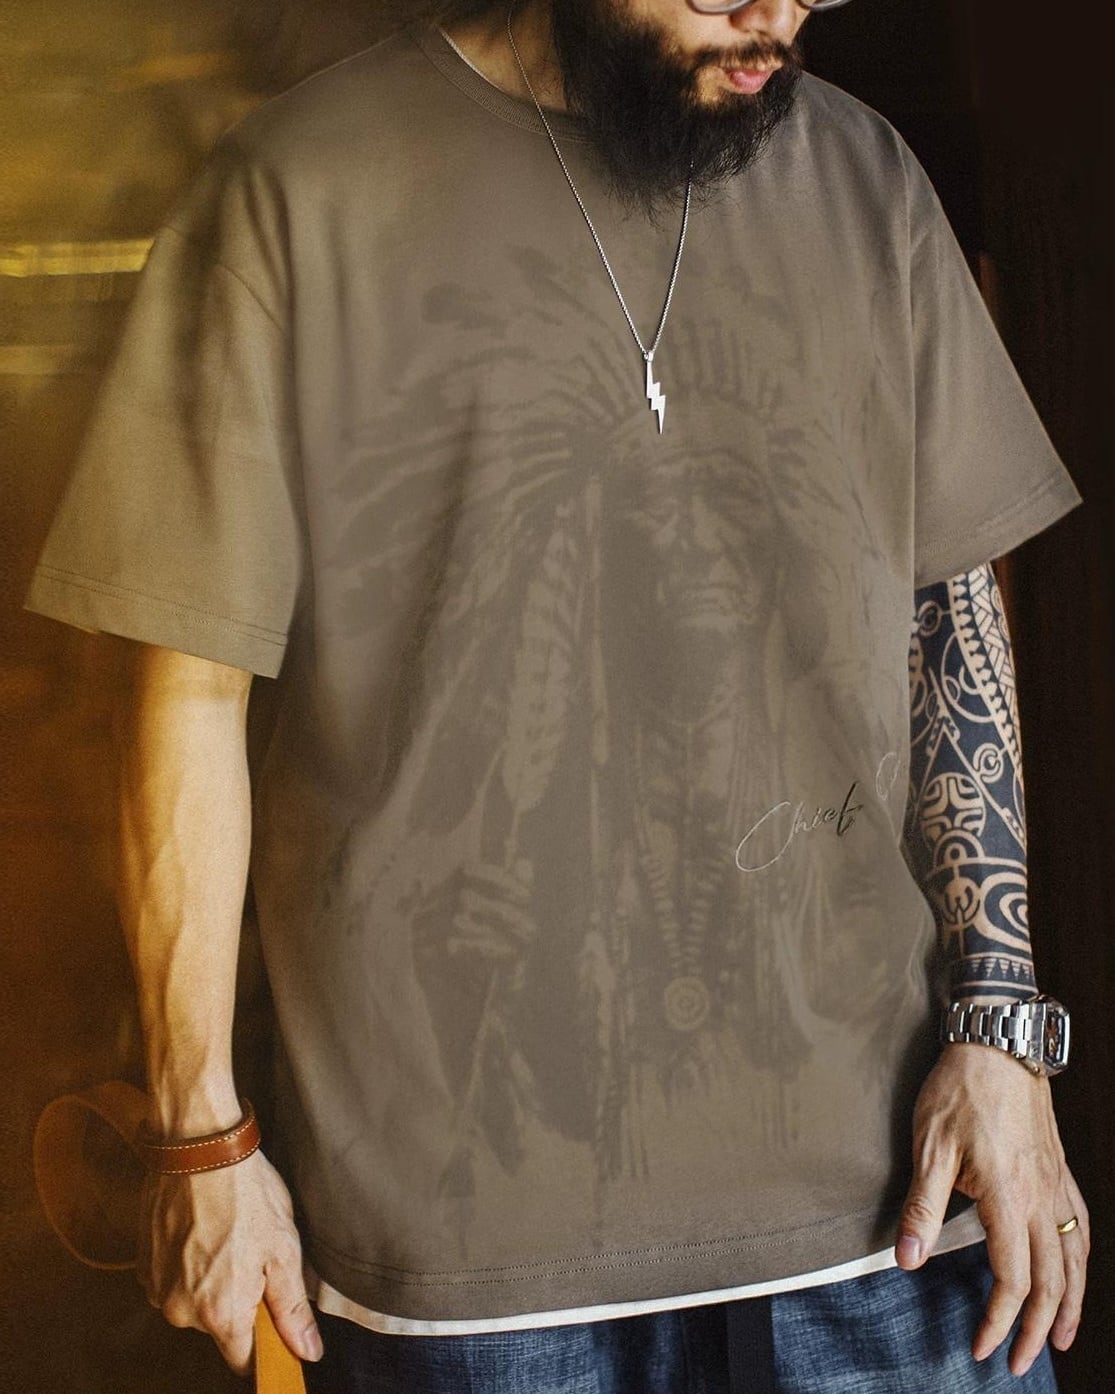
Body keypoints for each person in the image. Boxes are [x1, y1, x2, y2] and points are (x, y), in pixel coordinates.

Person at [25, 0, 1090, 1389]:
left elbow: (947, 611)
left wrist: (1005, 1031)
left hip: (889, 1210)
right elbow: (185, 689)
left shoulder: (867, 180)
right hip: (464, 1252)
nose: (772, 20)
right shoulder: (298, 190)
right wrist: (198, 1133)